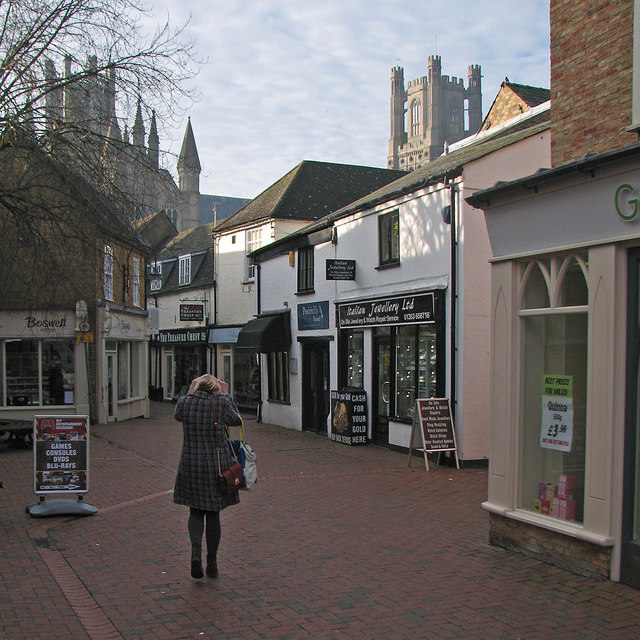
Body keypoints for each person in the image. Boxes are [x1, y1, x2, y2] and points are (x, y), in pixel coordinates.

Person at [173, 374, 242, 579]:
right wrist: (227, 394)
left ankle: (195, 553)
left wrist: (190, 390)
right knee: (213, 514)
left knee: (195, 511)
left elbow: (177, 415)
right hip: (215, 465)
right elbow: (236, 420)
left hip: (191, 464)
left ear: (197, 387)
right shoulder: (221, 403)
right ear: (214, 388)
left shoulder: (185, 402)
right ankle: (212, 562)